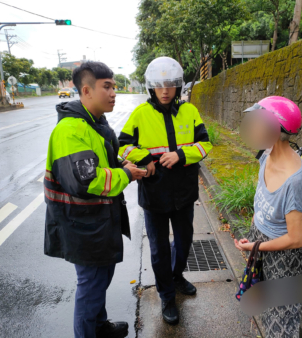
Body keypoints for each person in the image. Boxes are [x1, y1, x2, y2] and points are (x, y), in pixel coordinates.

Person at [43, 61, 147, 338]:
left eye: (113, 86)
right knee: (90, 286)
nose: (114, 93)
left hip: (97, 222)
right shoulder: (70, 130)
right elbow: (85, 180)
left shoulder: (96, 124)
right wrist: (125, 173)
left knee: (99, 281)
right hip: (83, 225)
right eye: (107, 86)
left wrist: (125, 164)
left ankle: (100, 327)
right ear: (86, 91)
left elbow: (105, 162)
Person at [118, 57, 212, 325]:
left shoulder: (190, 112)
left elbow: (206, 144)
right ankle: (166, 295)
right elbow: (122, 146)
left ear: (178, 86)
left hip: (184, 192)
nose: (165, 89)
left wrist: (181, 155)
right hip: (154, 194)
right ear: (151, 87)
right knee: (158, 249)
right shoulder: (140, 115)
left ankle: (177, 274)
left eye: (170, 84)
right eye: (159, 85)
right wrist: (145, 158)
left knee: (183, 242)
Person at [234, 96, 302, 338]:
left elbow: (297, 238)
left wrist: (258, 245)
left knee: (282, 319)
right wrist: (254, 231)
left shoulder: (295, 180)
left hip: (286, 254)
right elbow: (262, 198)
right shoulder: (266, 155)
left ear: (273, 128)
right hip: (262, 238)